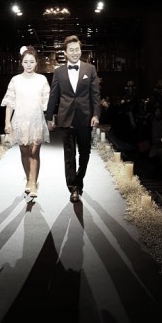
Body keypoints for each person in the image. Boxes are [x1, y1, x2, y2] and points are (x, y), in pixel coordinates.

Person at [46, 35, 101, 203]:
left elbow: (95, 95)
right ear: (65, 52)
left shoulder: (90, 69)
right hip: (66, 118)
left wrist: (96, 114)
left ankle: (79, 178)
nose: (75, 52)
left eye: (77, 49)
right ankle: (73, 188)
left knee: (85, 152)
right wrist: (49, 117)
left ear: (80, 50)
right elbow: (54, 95)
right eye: (71, 50)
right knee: (69, 155)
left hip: (85, 117)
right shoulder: (58, 72)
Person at [1, 46, 50, 198]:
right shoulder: (15, 80)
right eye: (26, 61)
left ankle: (34, 183)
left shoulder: (42, 79)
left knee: (34, 152)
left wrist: (50, 119)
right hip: (20, 120)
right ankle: (28, 178)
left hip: (36, 120)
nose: (29, 65)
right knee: (24, 151)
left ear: (36, 63)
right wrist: (7, 122)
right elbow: (10, 103)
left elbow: (47, 102)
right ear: (21, 62)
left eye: (32, 61)